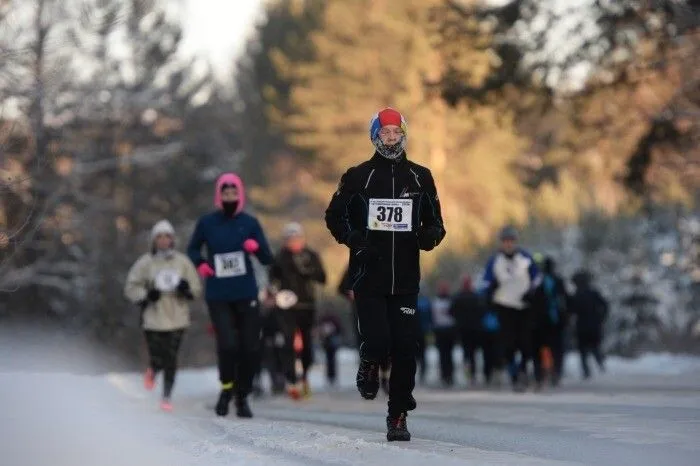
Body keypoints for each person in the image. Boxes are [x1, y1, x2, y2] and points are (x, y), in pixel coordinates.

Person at [325, 107, 446, 442]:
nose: (390, 139)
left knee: (406, 347)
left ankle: (397, 416)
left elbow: (436, 222)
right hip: (368, 276)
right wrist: (354, 239)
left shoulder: (421, 176)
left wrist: (429, 236)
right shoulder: (358, 176)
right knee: (378, 340)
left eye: (396, 133)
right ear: (374, 136)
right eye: (384, 133)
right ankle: (368, 360)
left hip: (406, 278)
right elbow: (335, 216)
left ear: (404, 135)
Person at [187, 172, 273, 418]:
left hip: (246, 293)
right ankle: (226, 389)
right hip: (219, 294)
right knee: (227, 345)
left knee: (249, 347)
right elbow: (193, 248)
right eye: (225, 193)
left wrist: (255, 248)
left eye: (234, 193)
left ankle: (242, 396)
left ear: (240, 195)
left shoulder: (249, 223)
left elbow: (268, 258)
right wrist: (201, 264)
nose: (230, 197)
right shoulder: (207, 223)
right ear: (218, 196)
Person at [124, 219, 201, 411]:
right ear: (154, 240)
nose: (164, 240)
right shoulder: (145, 263)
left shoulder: (182, 262)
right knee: (157, 356)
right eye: (159, 236)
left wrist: (185, 289)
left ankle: (166, 396)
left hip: (177, 318)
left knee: (171, 358)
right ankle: (153, 369)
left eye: (167, 236)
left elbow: (196, 288)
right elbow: (131, 287)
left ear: (173, 239)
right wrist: (146, 296)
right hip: (153, 318)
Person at [269, 222, 327, 399]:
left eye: (296, 238)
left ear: (302, 239)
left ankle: (305, 377)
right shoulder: (279, 257)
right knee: (287, 343)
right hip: (286, 307)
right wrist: (273, 292)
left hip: (307, 305)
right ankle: (291, 379)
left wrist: (308, 270)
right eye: (289, 239)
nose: (293, 242)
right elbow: (272, 279)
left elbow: (322, 278)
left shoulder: (311, 255)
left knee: (307, 344)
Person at [480, 225, 539, 392]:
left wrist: (531, 292)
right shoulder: (495, 260)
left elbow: (537, 277)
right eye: (505, 241)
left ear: (515, 242)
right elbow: (485, 281)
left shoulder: (525, 257)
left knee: (526, 343)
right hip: (504, 306)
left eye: (511, 241)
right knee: (508, 344)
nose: (508, 244)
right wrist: (490, 290)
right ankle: (515, 375)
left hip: (523, 306)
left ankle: (523, 370)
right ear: (501, 243)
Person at [527, 256, 569, 389]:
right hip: (555, 322)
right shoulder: (559, 281)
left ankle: (539, 375)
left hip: (537, 323)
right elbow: (567, 300)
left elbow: (528, 300)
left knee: (537, 350)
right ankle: (555, 371)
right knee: (556, 348)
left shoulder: (535, 282)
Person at [449, 275, 492, 386]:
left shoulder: (458, 297)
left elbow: (451, 312)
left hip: (465, 330)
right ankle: (472, 375)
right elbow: (483, 312)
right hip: (473, 329)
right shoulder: (476, 297)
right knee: (472, 354)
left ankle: (470, 376)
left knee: (468, 354)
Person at [570, 270, 608, 379]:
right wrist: (601, 317)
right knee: (595, 347)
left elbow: (571, 310)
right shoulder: (594, 293)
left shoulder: (576, 295)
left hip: (581, 326)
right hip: (594, 325)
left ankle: (586, 370)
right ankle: (600, 365)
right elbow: (605, 305)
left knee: (583, 350)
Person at [431, 281, 457, 386]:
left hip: (450, 330)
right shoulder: (435, 301)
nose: (443, 290)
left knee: (449, 355)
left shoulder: (452, 300)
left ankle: (450, 375)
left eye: (445, 288)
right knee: (442, 355)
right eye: (441, 288)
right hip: (440, 331)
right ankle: (443, 375)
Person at [317, 311, 344, 388]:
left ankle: (331, 377)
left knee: (330, 360)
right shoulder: (333, 319)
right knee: (331, 361)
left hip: (329, 343)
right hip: (329, 343)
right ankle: (331, 377)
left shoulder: (325, 319)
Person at [416, 291, 433, 384]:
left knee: (420, 354)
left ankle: (421, 373)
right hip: (419, 331)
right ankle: (421, 373)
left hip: (418, 332)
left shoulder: (424, 301)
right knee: (421, 355)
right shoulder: (425, 302)